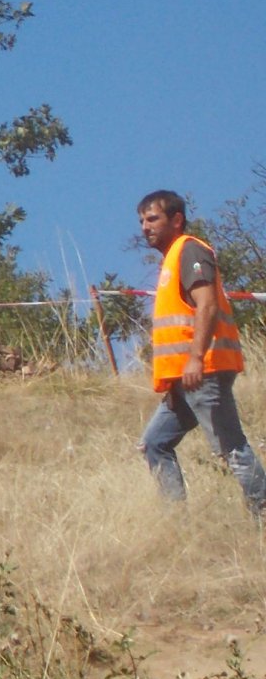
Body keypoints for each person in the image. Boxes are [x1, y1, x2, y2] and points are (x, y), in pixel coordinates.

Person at [136, 189, 266, 517]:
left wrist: (195, 358)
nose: (145, 227)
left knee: (231, 448)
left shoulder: (190, 249)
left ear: (176, 220)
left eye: (152, 219)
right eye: (142, 221)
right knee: (154, 443)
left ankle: (263, 515)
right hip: (186, 379)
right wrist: (174, 384)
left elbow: (207, 305)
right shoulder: (172, 259)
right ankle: (178, 522)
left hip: (204, 370)